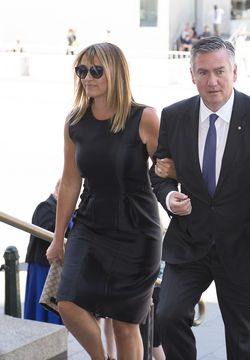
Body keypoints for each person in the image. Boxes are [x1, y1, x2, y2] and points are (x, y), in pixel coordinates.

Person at [150, 36, 250, 360]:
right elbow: (159, 173)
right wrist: (170, 195)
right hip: (189, 243)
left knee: (241, 339)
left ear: (235, 72)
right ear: (192, 75)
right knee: (168, 316)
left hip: (244, 248)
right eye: (203, 72)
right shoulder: (174, 116)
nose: (212, 81)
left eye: (219, 71)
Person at [46, 42, 162, 360]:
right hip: (91, 223)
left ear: (116, 72)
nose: (88, 77)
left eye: (96, 70)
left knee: (126, 325)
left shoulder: (144, 117)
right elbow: (70, 180)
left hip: (138, 230)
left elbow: (167, 170)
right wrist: (58, 238)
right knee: (67, 303)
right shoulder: (75, 122)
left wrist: (169, 168)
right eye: (82, 70)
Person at [24, 180, 64, 325]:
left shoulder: (61, 211)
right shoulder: (45, 207)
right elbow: (44, 231)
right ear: (58, 190)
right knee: (41, 308)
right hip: (42, 265)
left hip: (54, 266)